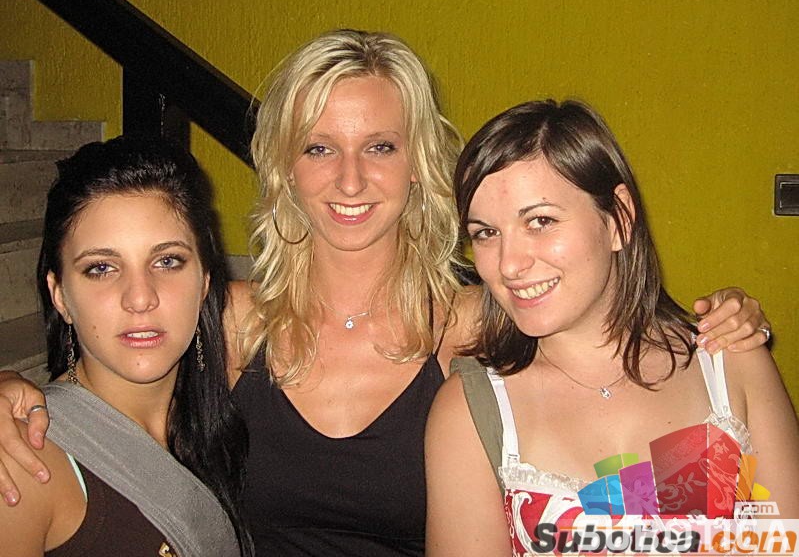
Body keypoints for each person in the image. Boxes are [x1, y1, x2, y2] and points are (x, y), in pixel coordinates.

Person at [0, 32, 770, 556]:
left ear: (417, 162)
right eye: (318, 147)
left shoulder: (477, 323)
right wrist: (11, 389)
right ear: (285, 167)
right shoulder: (230, 321)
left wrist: (726, 319)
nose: (349, 179)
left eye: (379, 146)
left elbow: (617, 335)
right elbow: (104, 388)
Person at [425, 100, 799, 556]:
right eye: (486, 233)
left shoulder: (730, 360)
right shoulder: (471, 410)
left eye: (540, 221)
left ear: (619, 217)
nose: (509, 264)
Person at [0, 138, 251, 556]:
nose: (140, 298)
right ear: (60, 296)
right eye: (101, 268)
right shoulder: (25, 465)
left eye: (167, 261)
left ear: (205, 282)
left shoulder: (218, 412)